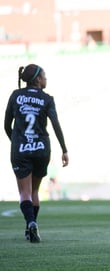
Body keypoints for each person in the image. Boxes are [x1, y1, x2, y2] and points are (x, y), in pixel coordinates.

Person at [4, 64, 69, 243]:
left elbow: (6, 125)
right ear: (38, 79)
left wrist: (17, 142)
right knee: (34, 191)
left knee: (24, 193)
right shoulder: (47, 99)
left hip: (21, 150)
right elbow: (55, 125)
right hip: (42, 149)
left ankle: (31, 222)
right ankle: (30, 227)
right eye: (45, 76)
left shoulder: (15, 96)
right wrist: (64, 149)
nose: (46, 79)